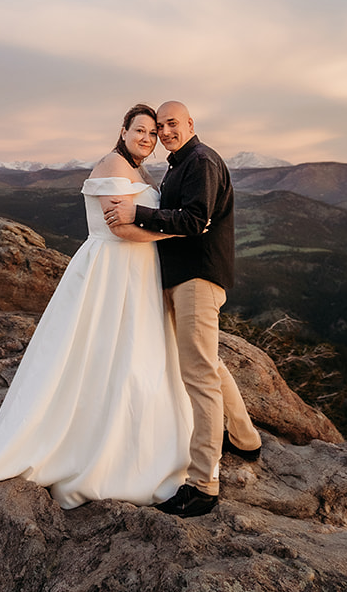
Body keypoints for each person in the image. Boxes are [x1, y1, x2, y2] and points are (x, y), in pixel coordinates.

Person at [0, 105, 193, 539]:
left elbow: (134, 217)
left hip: (136, 276)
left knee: (135, 359)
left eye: (153, 133)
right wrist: (176, 230)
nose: (147, 138)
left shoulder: (136, 170)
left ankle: (135, 444)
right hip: (111, 273)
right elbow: (118, 229)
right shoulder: (111, 164)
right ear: (123, 130)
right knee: (97, 358)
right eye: (140, 130)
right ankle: (96, 451)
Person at [104, 100, 262, 518]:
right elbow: (185, 219)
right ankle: (245, 438)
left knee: (198, 376)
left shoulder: (202, 161)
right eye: (160, 127)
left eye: (172, 124)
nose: (166, 132)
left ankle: (203, 485)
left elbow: (194, 221)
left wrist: (135, 212)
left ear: (190, 124)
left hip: (197, 277)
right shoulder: (179, 164)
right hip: (181, 277)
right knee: (207, 364)